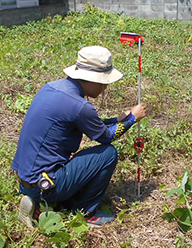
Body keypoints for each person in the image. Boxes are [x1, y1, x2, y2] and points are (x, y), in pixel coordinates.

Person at [11, 45, 146, 228]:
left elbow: (89, 122)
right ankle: (84, 211)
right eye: (103, 82)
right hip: (46, 185)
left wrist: (117, 119)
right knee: (108, 153)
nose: (105, 87)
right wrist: (131, 119)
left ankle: (40, 204)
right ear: (92, 80)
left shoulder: (51, 88)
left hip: (27, 180)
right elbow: (106, 137)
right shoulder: (80, 106)